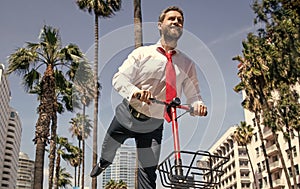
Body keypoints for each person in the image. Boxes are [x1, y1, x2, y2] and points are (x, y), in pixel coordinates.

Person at [90, 6, 207, 188]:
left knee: (148, 174)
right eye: (172, 19)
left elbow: (194, 95)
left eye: (180, 20)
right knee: (108, 150)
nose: (176, 22)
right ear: (160, 25)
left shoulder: (187, 64)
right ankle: (103, 163)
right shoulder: (142, 54)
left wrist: (198, 105)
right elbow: (119, 78)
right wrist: (135, 92)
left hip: (154, 124)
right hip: (127, 114)